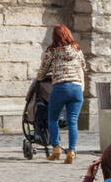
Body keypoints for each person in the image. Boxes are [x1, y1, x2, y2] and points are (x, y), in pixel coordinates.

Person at [35, 24, 86, 163]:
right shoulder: (77, 49)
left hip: (60, 88)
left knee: (53, 119)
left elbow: (43, 71)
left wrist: (40, 77)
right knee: (73, 121)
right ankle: (72, 150)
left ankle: (56, 147)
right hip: (76, 88)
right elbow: (83, 66)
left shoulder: (52, 51)